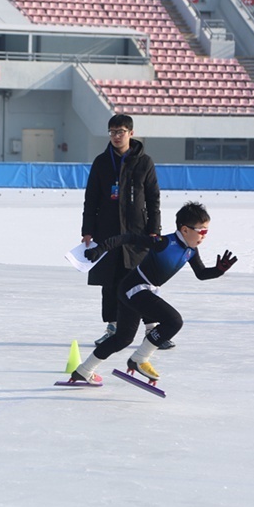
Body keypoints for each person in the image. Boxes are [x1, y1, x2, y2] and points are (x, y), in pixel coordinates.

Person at [72, 202, 237, 385]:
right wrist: (100, 249)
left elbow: (201, 274)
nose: (204, 236)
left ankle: (83, 371)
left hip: (137, 290)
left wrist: (219, 270)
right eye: (202, 231)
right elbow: (127, 238)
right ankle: (140, 359)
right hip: (134, 288)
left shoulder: (191, 251)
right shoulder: (164, 243)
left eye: (206, 231)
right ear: (184, 230)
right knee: (174, 321)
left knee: (123, 338)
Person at [81, 114, 168, 347]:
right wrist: (87, 229)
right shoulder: (101, 162)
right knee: (110, 281)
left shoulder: (144, 162)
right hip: (107, 232)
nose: (116, 136)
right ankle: (112, 327)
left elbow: (153, 199)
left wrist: (154, 230)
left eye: (120, 131)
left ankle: (152, 329)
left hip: (138, 233)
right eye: (112, 132)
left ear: (131, 133)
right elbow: (91, 198)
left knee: (142, 280)